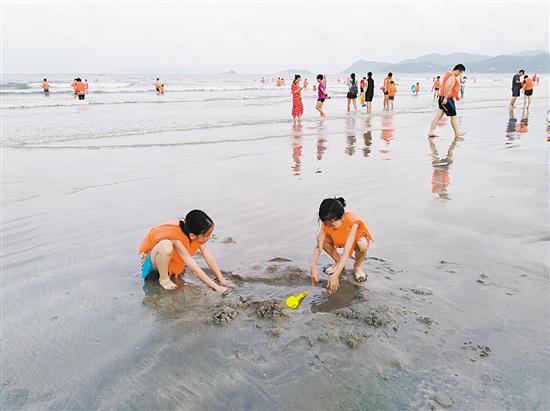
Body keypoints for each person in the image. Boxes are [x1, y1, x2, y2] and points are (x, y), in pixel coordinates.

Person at [138, 210, 234, 291]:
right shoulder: (176, 238)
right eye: (206, 236)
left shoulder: (194, 232)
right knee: (166, 245)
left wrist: (222, 280)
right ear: (192, 235)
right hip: (151, 267)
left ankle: (169, 274)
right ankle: (164, 279)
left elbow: (208, 256)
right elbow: (193, 268)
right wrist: (216, 287)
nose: (208, 238)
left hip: (167, 262)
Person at [310, 197, 373, 294]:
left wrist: (335, 275)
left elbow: (347, 252)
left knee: (362, 244)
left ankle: (357, 267)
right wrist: (313, 266)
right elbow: (318, 246)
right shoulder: (326, 223)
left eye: (333, 225)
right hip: (338, 239)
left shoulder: (352, 222)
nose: (329, 227)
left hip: (355, 240)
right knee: (321, 239)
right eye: (327, 225)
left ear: (342, 218)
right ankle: (338, 262)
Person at [428, 64, 466, 138]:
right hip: (446, 99)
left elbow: (449, 88)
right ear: (458, 70)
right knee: (453, 115)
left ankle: (431, 132)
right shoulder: (452, 76)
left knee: (438, 116)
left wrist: (455, 96)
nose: (460, 74)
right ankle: (457, 132)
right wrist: (445, 98)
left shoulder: (448, 74)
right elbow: (447, 86)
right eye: (461, 72)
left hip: (444, 98)